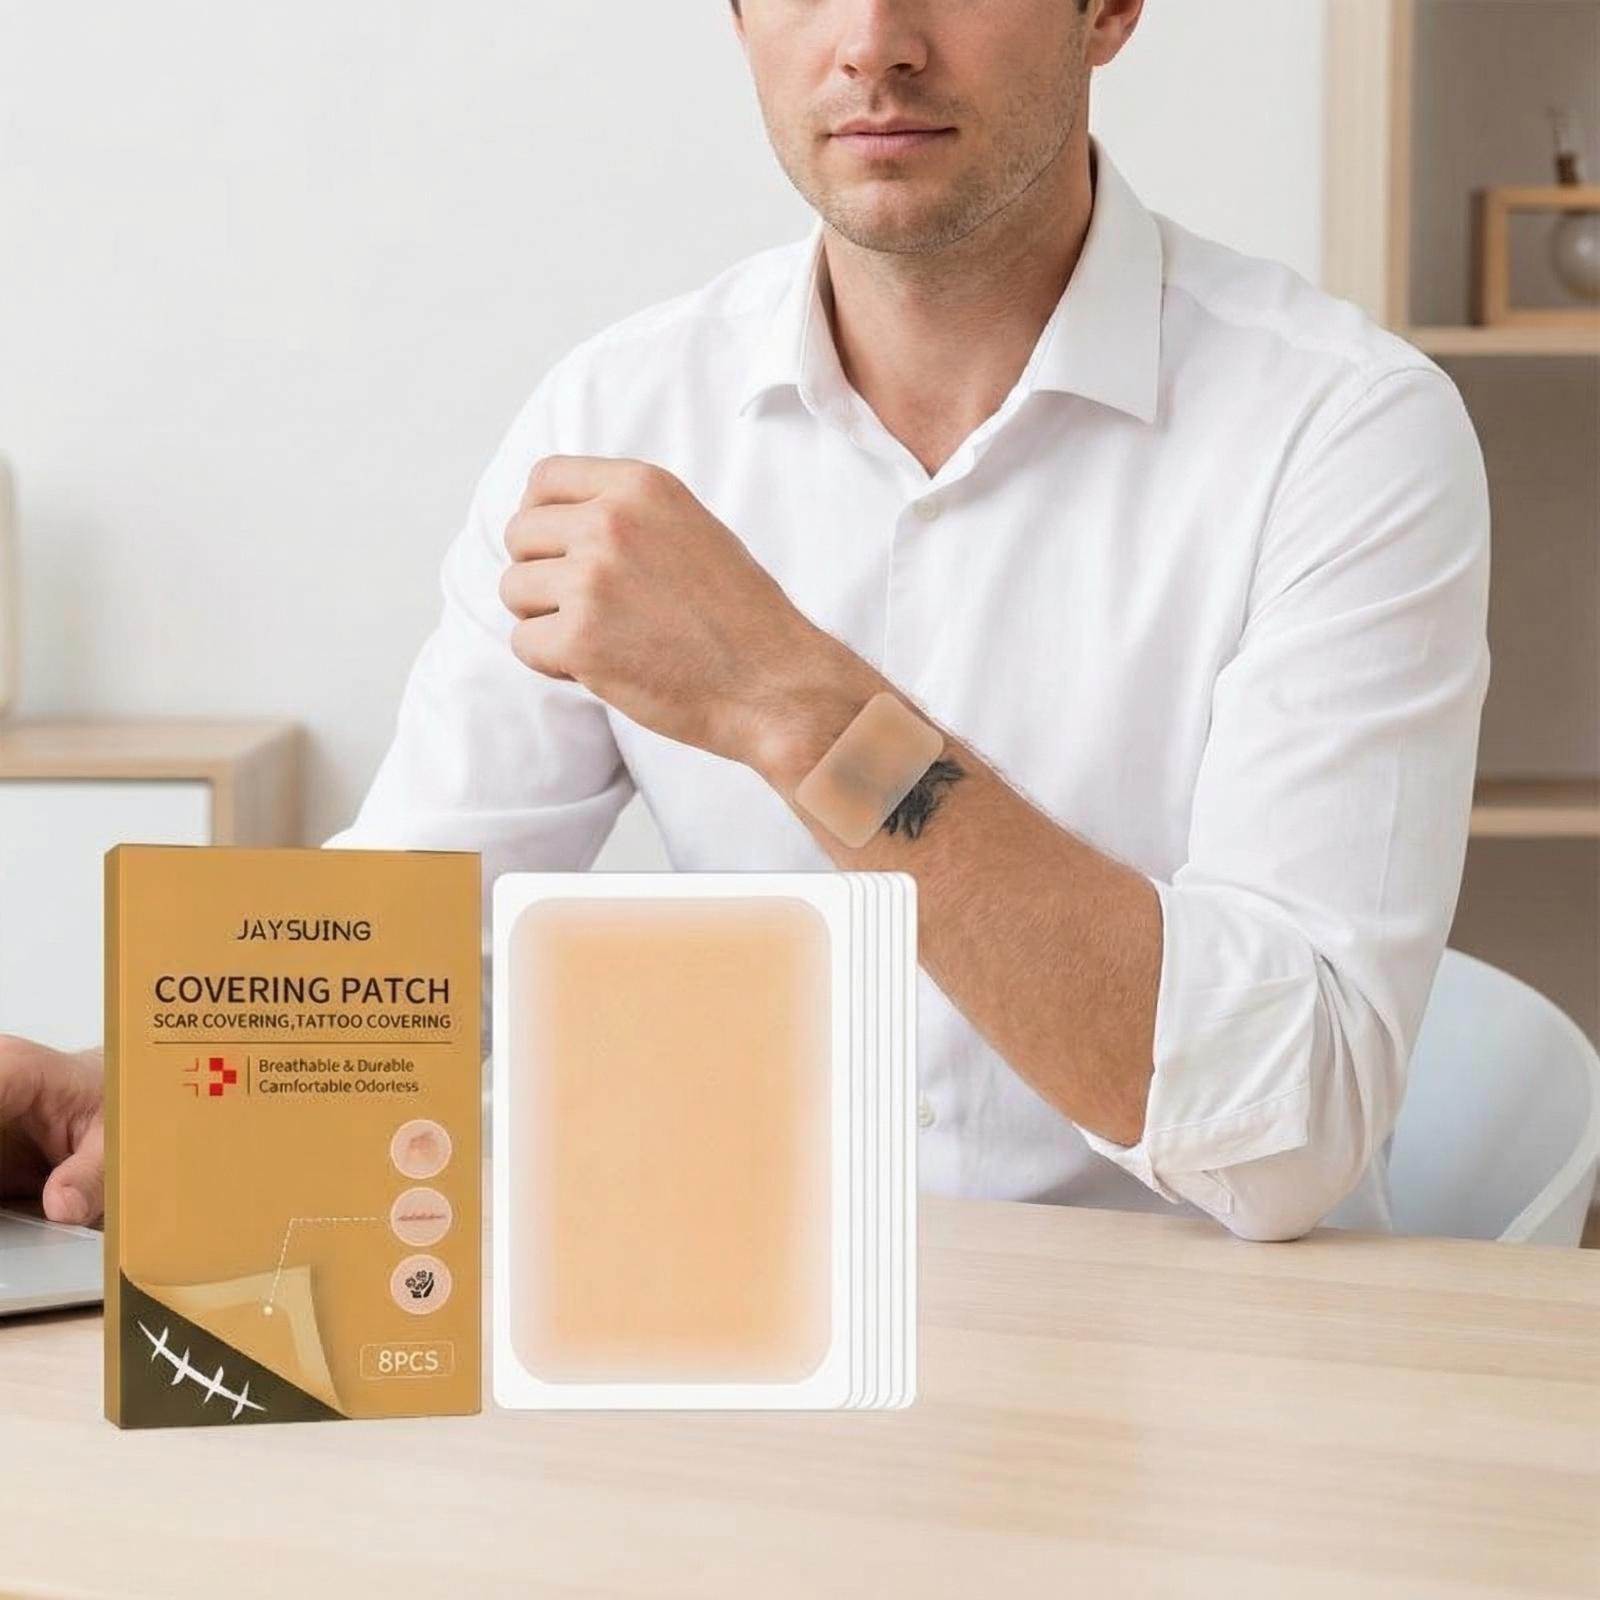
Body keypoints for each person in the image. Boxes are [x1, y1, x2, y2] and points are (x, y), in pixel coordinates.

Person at [0, 0, 1490, 1242]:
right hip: (750, 1334)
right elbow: (429, 915)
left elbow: (1292, 1127)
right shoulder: (616, 411)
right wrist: (166, 1087)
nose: (875, 40)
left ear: (1108, 10)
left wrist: (795, 706)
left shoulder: (1344, 434)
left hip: (1201, 1374)